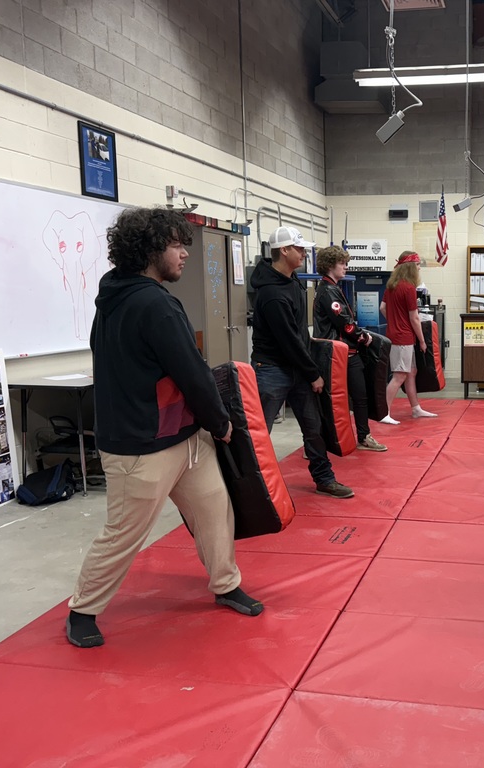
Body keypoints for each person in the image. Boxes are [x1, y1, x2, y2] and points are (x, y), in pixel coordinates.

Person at [66, 207, 262, 649]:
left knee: (214, 511)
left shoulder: (118, 296)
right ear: (151, 250)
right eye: (177, 246)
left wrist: (204, 425)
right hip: (142, 445)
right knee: (124, 533)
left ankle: (226, 584)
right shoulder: (153, 303)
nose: (184, 256)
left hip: (182, 437)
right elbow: (192, 371)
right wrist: (222, 423)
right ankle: (82, 609)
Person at [251, 226, 353, 498]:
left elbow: (299, 335)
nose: (303, 253)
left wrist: (308, 368)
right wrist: (313, 373)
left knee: (313, 426)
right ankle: (251, 489)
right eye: (298, 248)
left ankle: (324, 477)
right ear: (284, 251)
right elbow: (288, 340)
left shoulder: (293, 282)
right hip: (272, 369)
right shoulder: (272, 293)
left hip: (296, 368)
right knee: (259, 434)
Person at [313, 246, 387, 452]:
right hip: (337, 354)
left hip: (346, 352)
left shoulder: (332, 288)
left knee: (360, 396)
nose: (346, 267)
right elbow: (344, 324)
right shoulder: (328, 290)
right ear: (330, 265)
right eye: (342, 263)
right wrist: (364, 337)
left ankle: (363, 436)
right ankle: (317, 443)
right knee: (331, 401)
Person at [379, 251, 437, 424]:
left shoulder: (392, 286)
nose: (419, 269)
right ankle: (383, 412)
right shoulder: (409, 288)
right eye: (418, 265)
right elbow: (414, 318)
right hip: (403, 338)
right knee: (399, 376)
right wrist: (422, 340)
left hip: (395, 335)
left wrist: (394, 321)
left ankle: (416, 408)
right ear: (411, 267)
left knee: (411, 372)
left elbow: (382, 307)